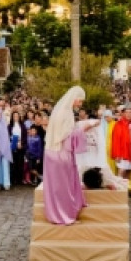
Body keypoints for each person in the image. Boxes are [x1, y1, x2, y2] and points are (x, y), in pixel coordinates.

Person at [42, 86, 91, 225]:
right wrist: (83, 129)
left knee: (56, 186)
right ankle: (64, 215)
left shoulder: (59, 111)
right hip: (61, 153)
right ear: (74, 99)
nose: (80, 104)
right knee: (63, 186)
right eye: (80, 101)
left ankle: (56, 213)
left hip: (52, 152)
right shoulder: (66, 113)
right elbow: (67, 134)